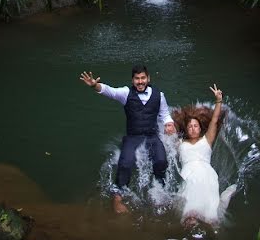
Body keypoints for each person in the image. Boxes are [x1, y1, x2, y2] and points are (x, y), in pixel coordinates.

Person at [79, 65, 176, 214]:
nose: (140, 81)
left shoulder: (159, 95)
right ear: (132, 80)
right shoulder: (125, 93)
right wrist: (95, 85)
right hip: (133, 136)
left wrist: (169, 123)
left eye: (143, 78)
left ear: (148, 78)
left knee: (161, 161)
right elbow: (109, 91)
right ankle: (117, 196)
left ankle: (160, 191)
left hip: (152, 136)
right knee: (125, 164)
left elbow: (164, 114)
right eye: (137, 78)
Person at [171, 83, 237, 227]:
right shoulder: (180, 143)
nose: (193, 129)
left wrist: (218, 101)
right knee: (189, 210)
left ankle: (213, 219)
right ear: (186, 130)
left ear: (200, 128)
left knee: (211, 213)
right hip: (188, 174)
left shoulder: (207, 139)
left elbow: (214, 121)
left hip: (207, 173)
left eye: (196, 126)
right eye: (190, 126)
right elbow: (167, 136)